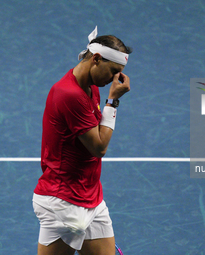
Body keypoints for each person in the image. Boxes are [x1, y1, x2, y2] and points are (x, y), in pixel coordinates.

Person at [32, 26, 132, 255]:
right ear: (96, 59)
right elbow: (99, 147)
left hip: (90, 196)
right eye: (113, 70)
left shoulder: (91, 88)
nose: (115, 78)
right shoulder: (69, 94)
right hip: (63, 202)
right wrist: (113, 102)